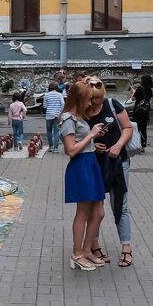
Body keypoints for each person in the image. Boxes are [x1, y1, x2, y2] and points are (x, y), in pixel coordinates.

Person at [86, 78, 135, 268]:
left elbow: (128, 127)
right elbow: (78, 137)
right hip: (94, 163)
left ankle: (126, 247)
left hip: (118, 161)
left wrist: (118, 144)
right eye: (91, 99)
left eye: (97, 99)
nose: (95, 103)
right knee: (94, 207)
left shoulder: (112, 105)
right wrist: (92, 145)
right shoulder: (82, 110)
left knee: (120, 204)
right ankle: (94, 245)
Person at [59, 81, 108, 270]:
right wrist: (92, 135)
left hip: (90, 163)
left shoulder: (77, 118)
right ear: (79, 99)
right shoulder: (67, 119)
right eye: (88, 100)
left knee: (98, 212)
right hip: (81, 167)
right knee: (83, 212)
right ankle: (77, 253)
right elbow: (70, 150)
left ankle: (86, 250)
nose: (90, 104)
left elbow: (79, 145)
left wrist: (92, 143)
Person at [131, 74, 153, 154]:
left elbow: (133, 98)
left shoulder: (139, 89)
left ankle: (138, 146)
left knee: (137, 128)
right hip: (145, 111)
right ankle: (143, 145)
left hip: (138, 111)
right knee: (144, 128)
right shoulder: (150, 90)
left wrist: (133, 91)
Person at [43, 81, 66, 153]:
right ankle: (56, 148)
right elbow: (63, 104)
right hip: (57, 116)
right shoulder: (59, 95)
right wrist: (59, 113)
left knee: (49, 131)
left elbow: (45, 106)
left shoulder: (46, 95)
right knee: (56, 131)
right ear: (56, 87)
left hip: (49, 115)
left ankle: (50, 147)